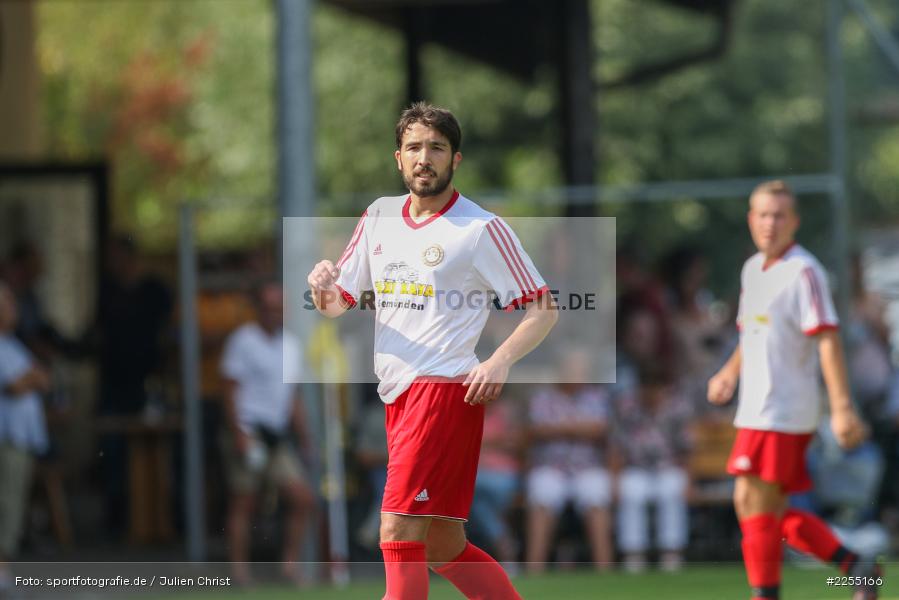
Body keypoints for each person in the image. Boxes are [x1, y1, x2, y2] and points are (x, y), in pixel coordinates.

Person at [307, 102, 558, 600]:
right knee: (443, 544)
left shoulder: (480, 228)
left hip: (442, 393)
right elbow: (340, 304)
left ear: (455, 160)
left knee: (397, 533)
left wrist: (499, 359)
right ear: (398, 158)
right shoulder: (378, 216)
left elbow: (543, 308)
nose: (425, 158)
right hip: (399, 396)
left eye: (437, 148)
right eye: (415, 147)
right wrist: (322, 288)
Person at [707, 180, 881, 600]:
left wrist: (841, 408)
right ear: (752, 219)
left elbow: (827, 339)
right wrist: (729, 371)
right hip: (756, 407)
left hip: (785, 409)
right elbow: (752, 334)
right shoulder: (754, 270)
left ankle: (765, 594)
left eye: (779, 215)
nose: (770, 223)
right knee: (768, 511)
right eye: (763, 214)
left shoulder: (804, 271)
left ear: (794, 222)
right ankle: (856, 566)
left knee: (752, 501)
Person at [220, 281, 315, 585]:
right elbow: (228, 390)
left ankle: (289, 565)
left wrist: (304, 438)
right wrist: (238, 433)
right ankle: (239, 572)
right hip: (248, 431)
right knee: (244, 501)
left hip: (276, 435)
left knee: (302, 498)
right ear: (258, 309)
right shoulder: (243, 341)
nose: (275, 314)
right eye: (270, 308)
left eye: (280, 308)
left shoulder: (291, 345)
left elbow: (294, 397)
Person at [524, 349, 613, 573]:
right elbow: (536, 430)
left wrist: (561, 428)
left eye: (580, 369)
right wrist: (578, 428)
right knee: (543, 493)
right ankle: (535, 569)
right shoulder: (542, 396)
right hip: (550, 466)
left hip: (587, 466)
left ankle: (606, 570)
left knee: (596, 493)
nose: (577, 374)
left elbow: (600, 429)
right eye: (572, 369)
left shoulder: (597, 396)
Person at [610, 364, 692, 573]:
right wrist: (615, 481)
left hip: (668, 466)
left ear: (663, 388)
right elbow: (616, 446)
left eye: (655, 389)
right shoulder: (627, 407)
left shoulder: (677, 407)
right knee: (632, 492)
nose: (650, 395)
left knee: (672, 489)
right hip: (635, 467)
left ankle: (671, 552)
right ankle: (634, 553)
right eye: (646, 389)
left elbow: (686, 449)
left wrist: (689, 481)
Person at [0, 283, 51, 592]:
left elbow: (40, 378)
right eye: (7, 304)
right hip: (6, 439)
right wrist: (32, 377)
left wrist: (34, 377)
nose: (12, 310)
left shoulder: (11, 344)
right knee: (6, 504)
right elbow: (15, 385)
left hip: (18, 438)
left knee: (12, 504)